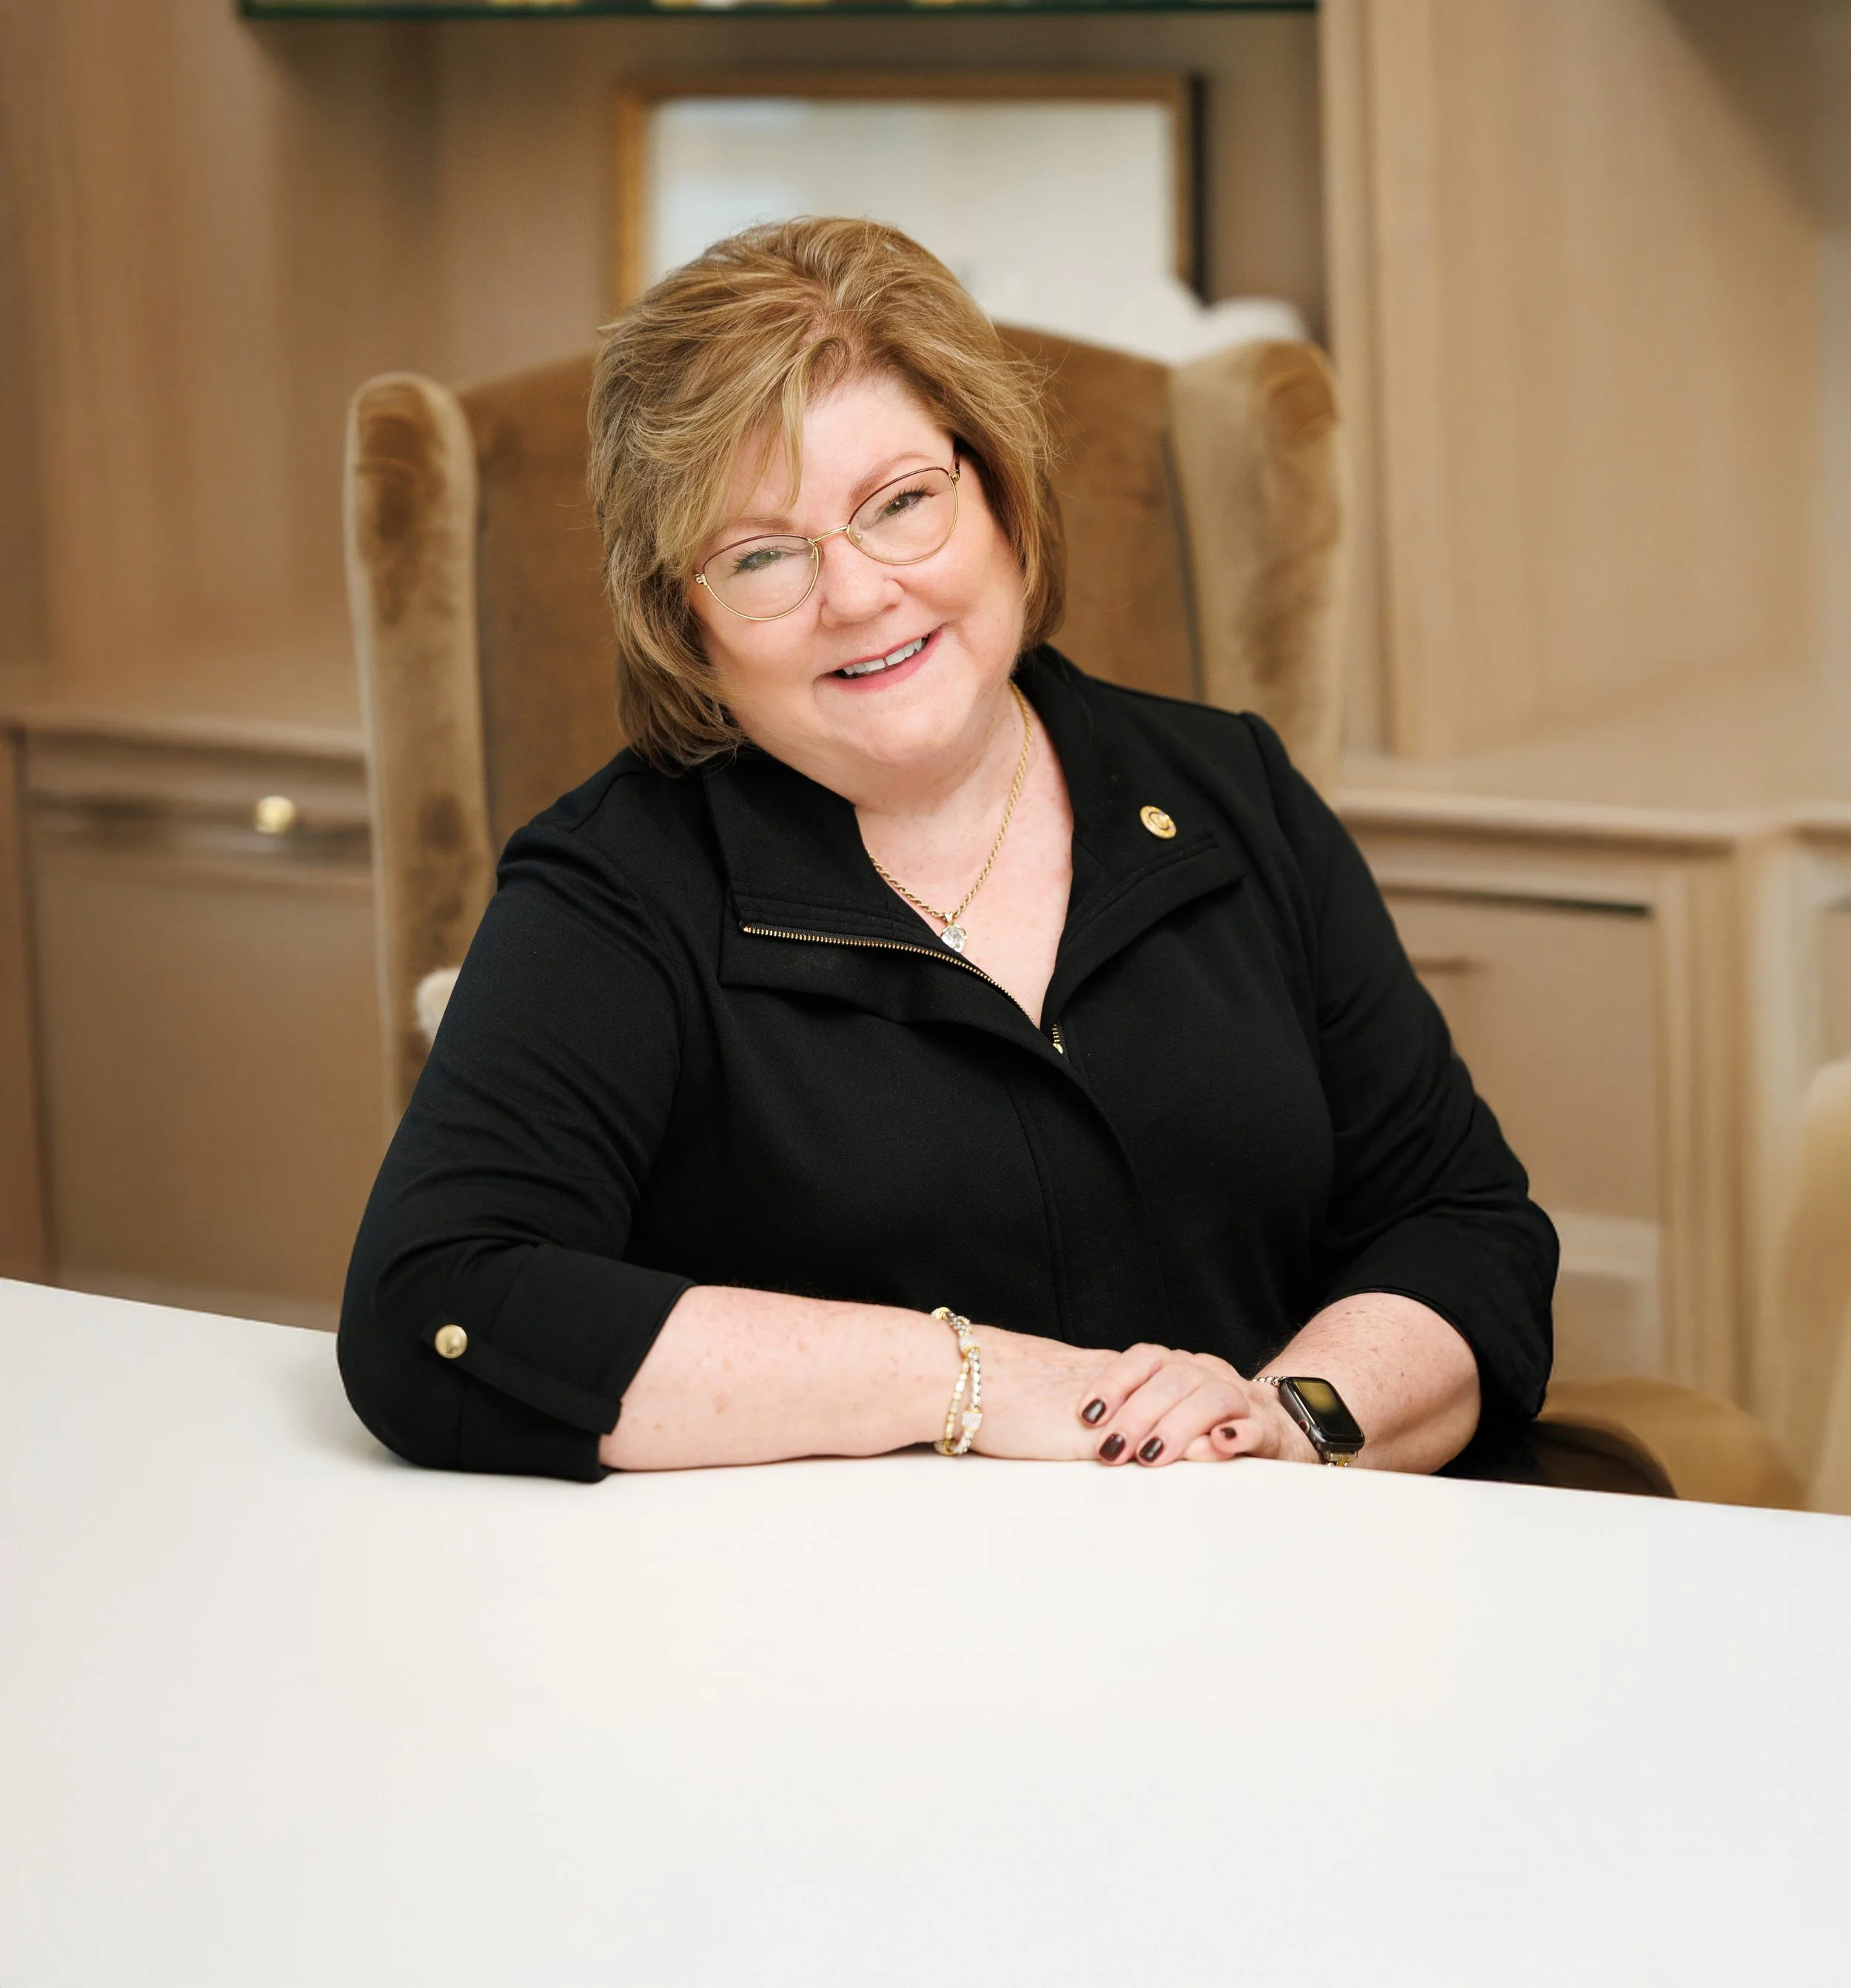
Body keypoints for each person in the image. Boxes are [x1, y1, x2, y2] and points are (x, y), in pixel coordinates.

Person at [338, 216, 1555, 1483]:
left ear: (1001, 496)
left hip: (1272, 1591)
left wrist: (1286, 1424)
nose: (858, 594)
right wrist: (976, 1382)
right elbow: (436, 1310)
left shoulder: (1226, 789)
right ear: (684, 625)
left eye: (902, 504)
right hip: (847, 1637)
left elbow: (1462, 1229)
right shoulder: (617, 887)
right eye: (761, 555)